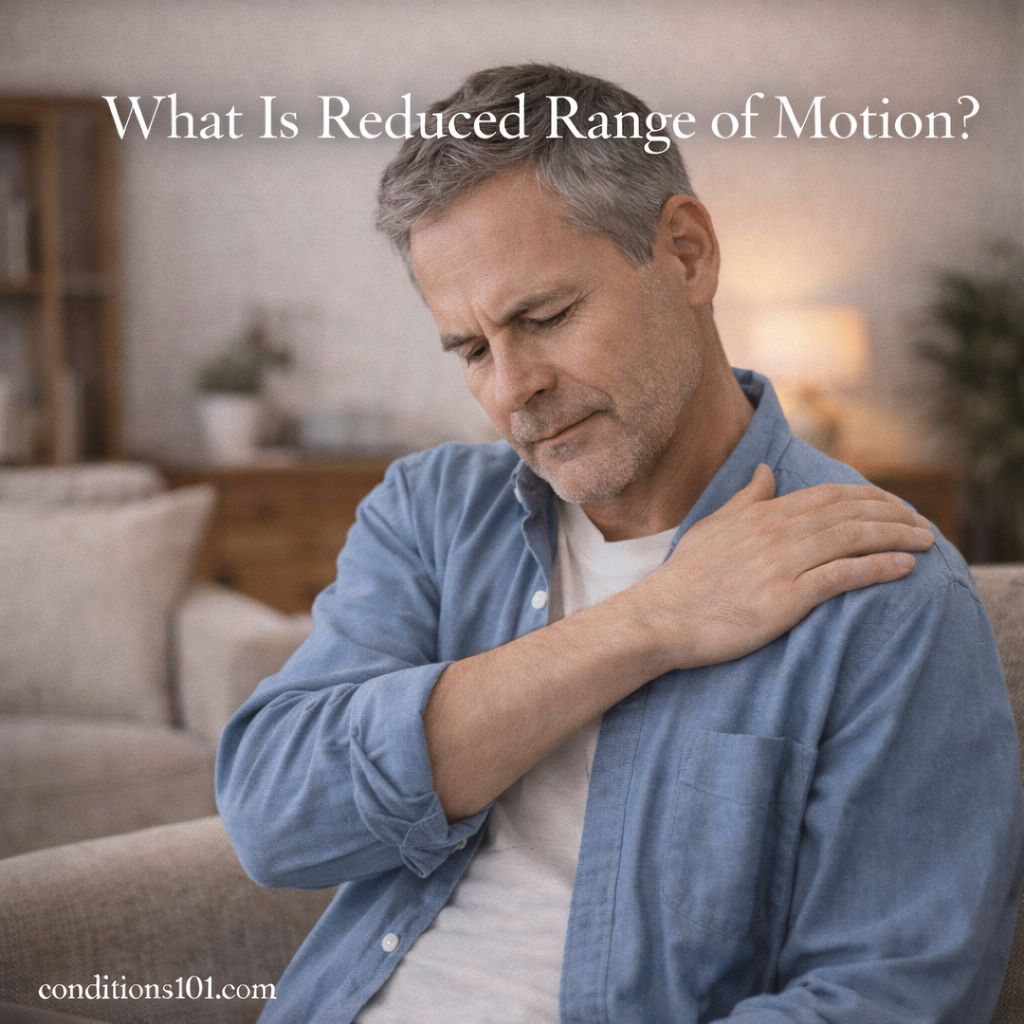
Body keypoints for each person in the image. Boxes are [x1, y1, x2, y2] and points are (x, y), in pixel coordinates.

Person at [216, 65, 1024, 1023]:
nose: (511, 389)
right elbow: (275, 820)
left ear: (685, 254)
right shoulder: (431, 513)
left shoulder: (884, 588)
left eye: (544, 318)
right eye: (471, 350)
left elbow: (885, 1000)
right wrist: (650, 624)